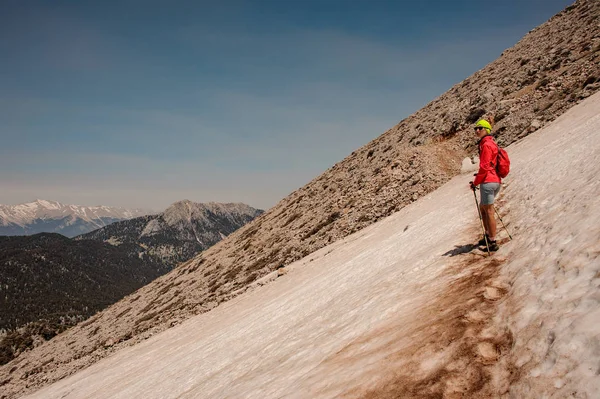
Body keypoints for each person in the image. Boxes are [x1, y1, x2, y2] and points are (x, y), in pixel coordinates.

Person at [469, 119, 501, 251]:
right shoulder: (489, 143)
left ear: (486, 129)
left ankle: (492, 241)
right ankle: (488, 235)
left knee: (488, 211)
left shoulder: (486, 145)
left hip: (488, 181)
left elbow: (485, 166)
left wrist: (476, 182)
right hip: (493, 179)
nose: (477, 130)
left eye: (480, 128)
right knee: (484, 209)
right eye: (476, 128)